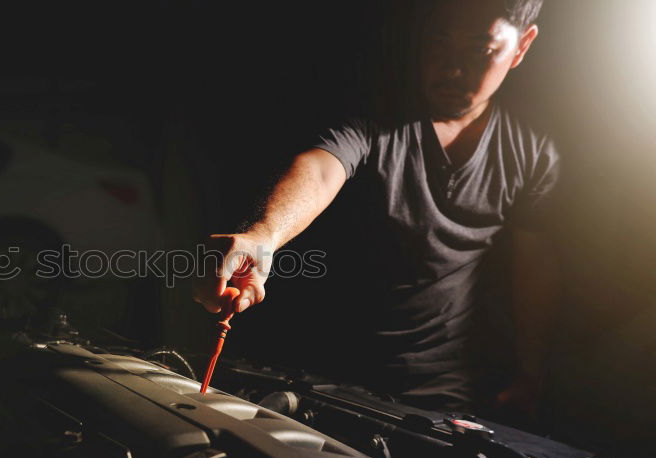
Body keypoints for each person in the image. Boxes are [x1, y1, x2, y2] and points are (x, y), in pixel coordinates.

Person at [192, 0, 559, 417]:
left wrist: (532, 373)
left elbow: (535, 265)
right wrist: (263, 235)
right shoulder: (375, 109)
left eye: (480, 49)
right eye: (439, 40)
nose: (451, 68)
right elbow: (321, 168)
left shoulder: (533, 149)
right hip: (320, 373)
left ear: (522, 46)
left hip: (441, 391)